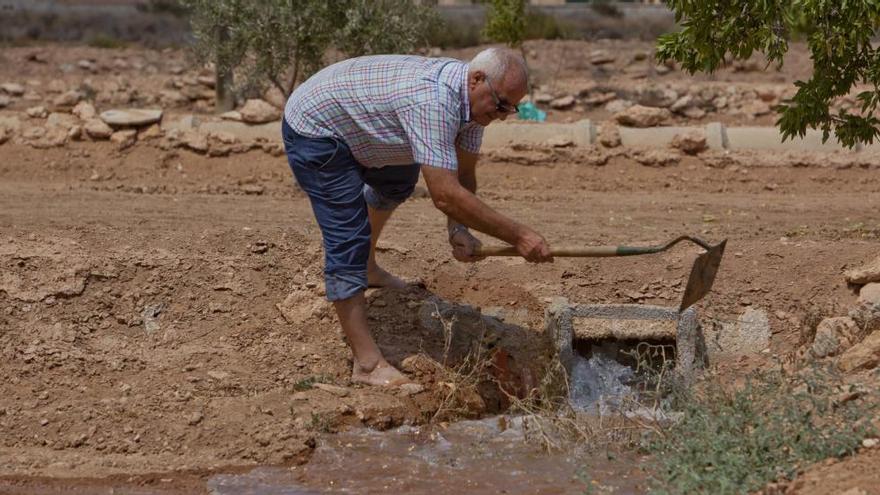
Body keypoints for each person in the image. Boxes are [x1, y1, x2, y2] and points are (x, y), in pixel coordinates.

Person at [282, 47, 553, 387]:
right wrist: (519, 236)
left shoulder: (472, 105)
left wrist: (459, 229)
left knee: (397, 181)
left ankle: (367, 270)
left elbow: (463, 175)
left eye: (511, 109)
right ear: (477, 79)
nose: (502, 115)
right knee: (347, 236)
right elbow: (444, 194)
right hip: (317, 130)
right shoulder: (432, 102)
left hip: (360, 125)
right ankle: (367, 365)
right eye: (501, 105)